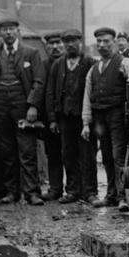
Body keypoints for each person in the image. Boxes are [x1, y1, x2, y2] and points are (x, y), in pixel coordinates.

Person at [0, 17, 47, 205]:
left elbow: (39, 81)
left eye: (11, 29)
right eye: (4, 30)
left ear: (18, 31)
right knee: (6, 151)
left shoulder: (31, 53)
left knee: (27, 150)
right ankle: (12, 191)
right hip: (0, 105)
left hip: (22, 105)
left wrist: (33, 105)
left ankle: (31, 192)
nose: (8, 33)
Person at [81, 27, 129, 211]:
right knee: (106, 157)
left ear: (114, 42)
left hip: (118, 116)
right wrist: (86, 123)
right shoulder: (94, 69)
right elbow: (87, 96)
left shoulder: (125, 63)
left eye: (106, 41)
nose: (102, 45)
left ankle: (124, 197)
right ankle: (111, 195)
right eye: (99, 42)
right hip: (99, 117)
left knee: (118, 156)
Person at [45, 29, 98, 204]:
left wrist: (90, 119)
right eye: (67, 41)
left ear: (80, 42)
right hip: (65, 118)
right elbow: (51, 93)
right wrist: (52, 118)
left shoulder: (89, 63)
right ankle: (73, 191)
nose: (70, 45)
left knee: (87, 155)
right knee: (68, 155)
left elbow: (95, 92)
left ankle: (90, 192)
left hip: (84, 119)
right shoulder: (58, 65)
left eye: (73, 41)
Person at [40, 31, 65, 201]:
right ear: (46, 46)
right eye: (51, 44)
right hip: (49, 117)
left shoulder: (70, 63)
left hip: (69, 116)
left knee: (71, 155)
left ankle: (74, 189)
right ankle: (55, 188)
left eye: (58, 44)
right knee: (53, 154)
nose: (55, 47)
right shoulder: (42, 65)